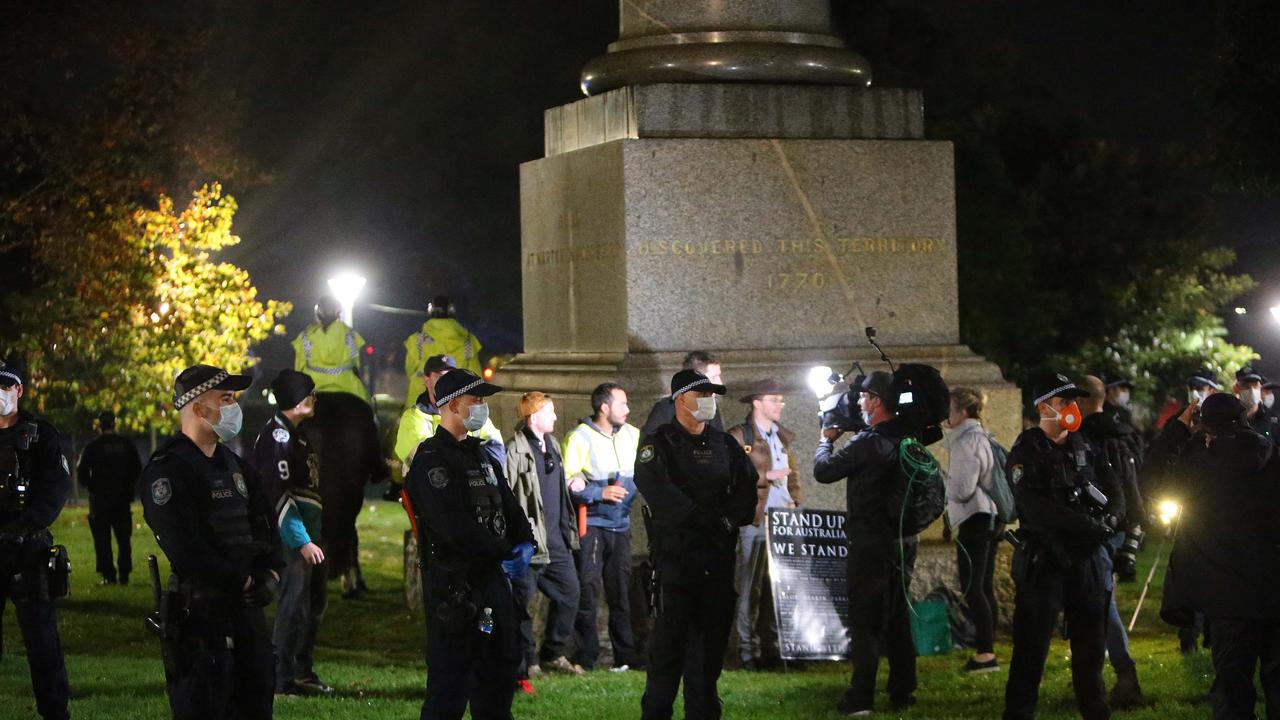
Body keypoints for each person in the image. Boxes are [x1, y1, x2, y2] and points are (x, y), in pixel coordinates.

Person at [139, 364, 284, 720]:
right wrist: (241, 580)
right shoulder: (168, 469)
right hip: (201, 617)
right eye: (226, 399)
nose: (234, 407)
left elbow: (265, 523)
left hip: (247, 614)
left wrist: (271, 573)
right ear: (199, 409)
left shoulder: (235, 464)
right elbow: (184, 546)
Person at [402, 368, 535, 720]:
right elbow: (451, 525)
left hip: (491, 581)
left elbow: (508, 505)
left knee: (497, 676)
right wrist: (502, 551)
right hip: (454, 585)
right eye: (476, 400)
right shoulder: (432, 460)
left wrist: (525, 542)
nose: (482, 407)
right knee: (450, 684)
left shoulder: (482, 456)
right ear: (453, 405)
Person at [634, 369, 757, 720]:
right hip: (677, 563)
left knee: (709, 654)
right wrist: (700, 518)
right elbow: (655, 487)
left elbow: (746, 488)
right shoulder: (658, 443)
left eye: (712, 395)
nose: (709, 402)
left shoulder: (724, 444)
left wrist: (726, 519)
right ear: (680, 400)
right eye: (701, 395)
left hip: (717, 561)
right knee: (668, 653)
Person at [1002, 374, 1124, 720]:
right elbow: (1036, 508)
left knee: (1090, 649)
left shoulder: (1086, 445)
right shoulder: (1027, 451)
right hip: (1046, 562)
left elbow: (1115, 492)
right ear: (1043, 408)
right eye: (1063, 402)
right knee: (1031, 650)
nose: (1073, 408)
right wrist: (1088, 527)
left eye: (1074, 401)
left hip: (1087, 561)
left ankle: (1096, 711)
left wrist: (1110, 523)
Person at [1159, 392, 1280, 719]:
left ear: (1205, 427)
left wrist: (1179, 430)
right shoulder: (1272, 456)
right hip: (1273, 592)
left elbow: (1153, 478)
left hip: (1227, 600)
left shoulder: (1199, 468)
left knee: (1233, 691)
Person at [814, 371, 918, 715]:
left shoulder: (867, 442)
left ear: (875, 401)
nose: (858, 402)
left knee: (866, 620)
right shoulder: (907, 436)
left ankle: (861, 697)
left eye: (862, 397)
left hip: (870, 541)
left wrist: (826, 439)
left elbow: (824, 471)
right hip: (902, 538)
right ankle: (903, 690)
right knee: (899, 614)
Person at [252, 369, 332, 696]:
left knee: (310, 606)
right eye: (309, 394)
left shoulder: (297, 434)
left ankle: (301, 671)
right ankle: (281, 678)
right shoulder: (277, 438)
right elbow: (278, 494)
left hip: (309, 537)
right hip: (293, 541)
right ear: (296, 401)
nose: (314, 400)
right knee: (292, 606)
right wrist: (301, 540)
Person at [0, 356, 71, 720]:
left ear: (19, 390)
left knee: (42, 642)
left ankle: (55, 712)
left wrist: (26, 525)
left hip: (27, 550)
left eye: (4, 385)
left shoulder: (40, 434)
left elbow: (56, 489)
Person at [505, 392, 583, 689]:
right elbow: (510, 494)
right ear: (533, 417)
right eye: (549, 412)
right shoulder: (516, 451)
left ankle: (553, 652)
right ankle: (529, 662)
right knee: (522, 607)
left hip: (556, 541)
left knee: (570, 594)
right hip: (530, 545)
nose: (554, 416)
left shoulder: (553, 446)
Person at [563, 382, 641, 672]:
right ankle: (586, 655)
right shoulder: (580, 437)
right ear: (604, 408)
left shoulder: (632, 434)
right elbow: (569, 481)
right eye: (622, 404)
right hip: (592, 525)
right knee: (589, 591)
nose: (628, 409)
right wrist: (599, 494)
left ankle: (626, 655)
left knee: (620, 593)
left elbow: (641, 474)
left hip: (621, 525)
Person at [1077, 375, 1144, 708]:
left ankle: (1123, 673)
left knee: (1102, 603)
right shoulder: (1123, 432)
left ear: (1084, 399)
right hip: (1122, 525)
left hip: (1101, 527)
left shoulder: (1089, 438)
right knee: (1103, 600)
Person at [727, 378, 799, 671]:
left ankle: (776, 649)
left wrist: (795, 502)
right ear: (756, 402)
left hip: (783, 519)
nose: (779, 404)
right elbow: (729, 478)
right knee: (749, 587)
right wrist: (765, 476)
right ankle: (747, 651)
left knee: (780, 587)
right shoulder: (739, 436)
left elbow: (793, 476)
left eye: (781, 400)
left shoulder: (782, 437)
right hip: (754, 520)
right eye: (773, 399)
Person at [941, 386, 1002, 673]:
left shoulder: (966, 440)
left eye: (950, 408)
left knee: (972, 587)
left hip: (974, 518)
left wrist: (943, 480)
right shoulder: (983, 435)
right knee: (984, 586)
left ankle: (985, 653)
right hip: (990, 517)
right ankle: (988, 646)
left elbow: (962, 489)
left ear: (962, 411)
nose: (946, 414)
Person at [394, 354, 504, 477]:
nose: (446, 380)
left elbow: (496, 448)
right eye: (440, 376)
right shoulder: (414, 417)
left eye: (450, 375)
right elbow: (428, 459)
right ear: (426, 381)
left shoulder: (470, 411)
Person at [78, 410, 142, 585]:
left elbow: (82, 472)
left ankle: (108, 575)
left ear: (99, 425)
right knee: (123, 540)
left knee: (102, 540)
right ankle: (124, 574)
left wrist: (92, 487)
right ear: (115, 424)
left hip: (100, 501)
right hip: (122, 500)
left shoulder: (93, 446)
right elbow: (137, 469)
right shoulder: (126, 445)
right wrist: (128, 489)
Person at [403, 295, 483, 410]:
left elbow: (410, 369)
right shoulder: (468, 341)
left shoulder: (417, 340)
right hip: (456, 406)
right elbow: (475, 376)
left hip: (421, 403)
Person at [291, 295, 370, 402]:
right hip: (348, 386)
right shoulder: (351, 335)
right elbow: (357, 363)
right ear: (338, 313)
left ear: (318, 313)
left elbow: (298, 368)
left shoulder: (304, 337)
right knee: (367, 411)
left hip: (313, 388)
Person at [640, 351, 724, 437]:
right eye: (714, 377)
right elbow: (648, 445)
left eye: (719, 376)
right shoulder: (666, 409)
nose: (720, 383)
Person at [1234, 365, 1280, 438]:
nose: (1252, 390)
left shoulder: (1273, 420)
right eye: (1246, 386)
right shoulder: (1230, 418)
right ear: (1236, 388)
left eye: (1255, 385)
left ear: (1260, 387)